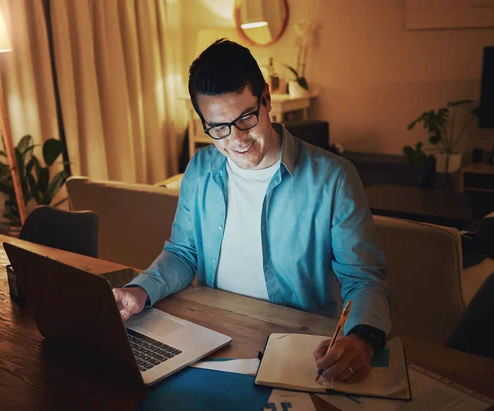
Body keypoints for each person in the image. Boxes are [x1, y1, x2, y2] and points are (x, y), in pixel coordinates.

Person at [113, 39, 391, 383]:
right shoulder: (200, 169)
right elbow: (183, 254)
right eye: (218, 128)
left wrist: (361, 340)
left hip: (298, 349)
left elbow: (363, 279)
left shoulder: (333, 178)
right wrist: (140, 290)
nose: (237, 139)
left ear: (266, 98)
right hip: (213, 340)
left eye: (246, 117)